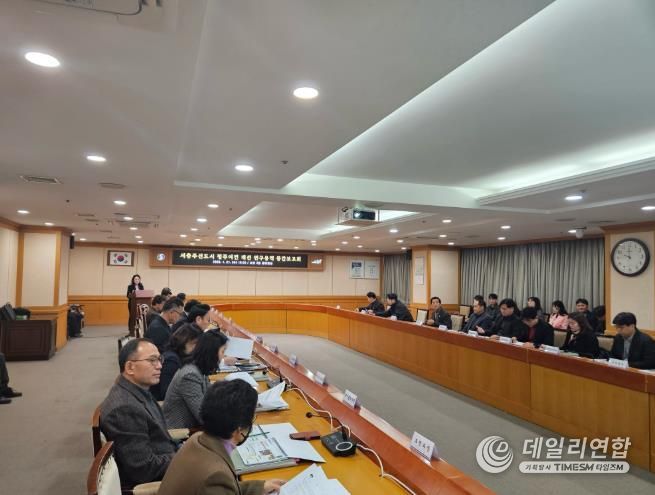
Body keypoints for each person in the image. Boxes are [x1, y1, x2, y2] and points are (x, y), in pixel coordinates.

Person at [158, 380, 285, 495]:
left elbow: (226, 489)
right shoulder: (216, 476)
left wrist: (259, 488)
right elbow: (217, 485)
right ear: (239, 429)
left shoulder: (197, 439)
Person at [99, 339, 177, 487]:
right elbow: (143, 468)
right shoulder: (124, 409)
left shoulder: (138, 390)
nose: (159, 366)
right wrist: (186, 458)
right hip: (159, 482)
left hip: (167, 460)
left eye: (159, 359)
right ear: (130, 367)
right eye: (152, 360)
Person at [163, 329, 228, 429]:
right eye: (223, 351)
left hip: (193, 427)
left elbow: (209, 397)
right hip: (180, 433)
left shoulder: (199, 367)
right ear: (212, 352)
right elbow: (203, 417)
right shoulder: (190, 375)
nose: (224, 356)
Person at [151, 324, 203, 402]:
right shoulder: (171, 360)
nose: (196, 348)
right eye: (194, 343)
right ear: (184, 341)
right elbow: (166, 392)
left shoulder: (178, 356)